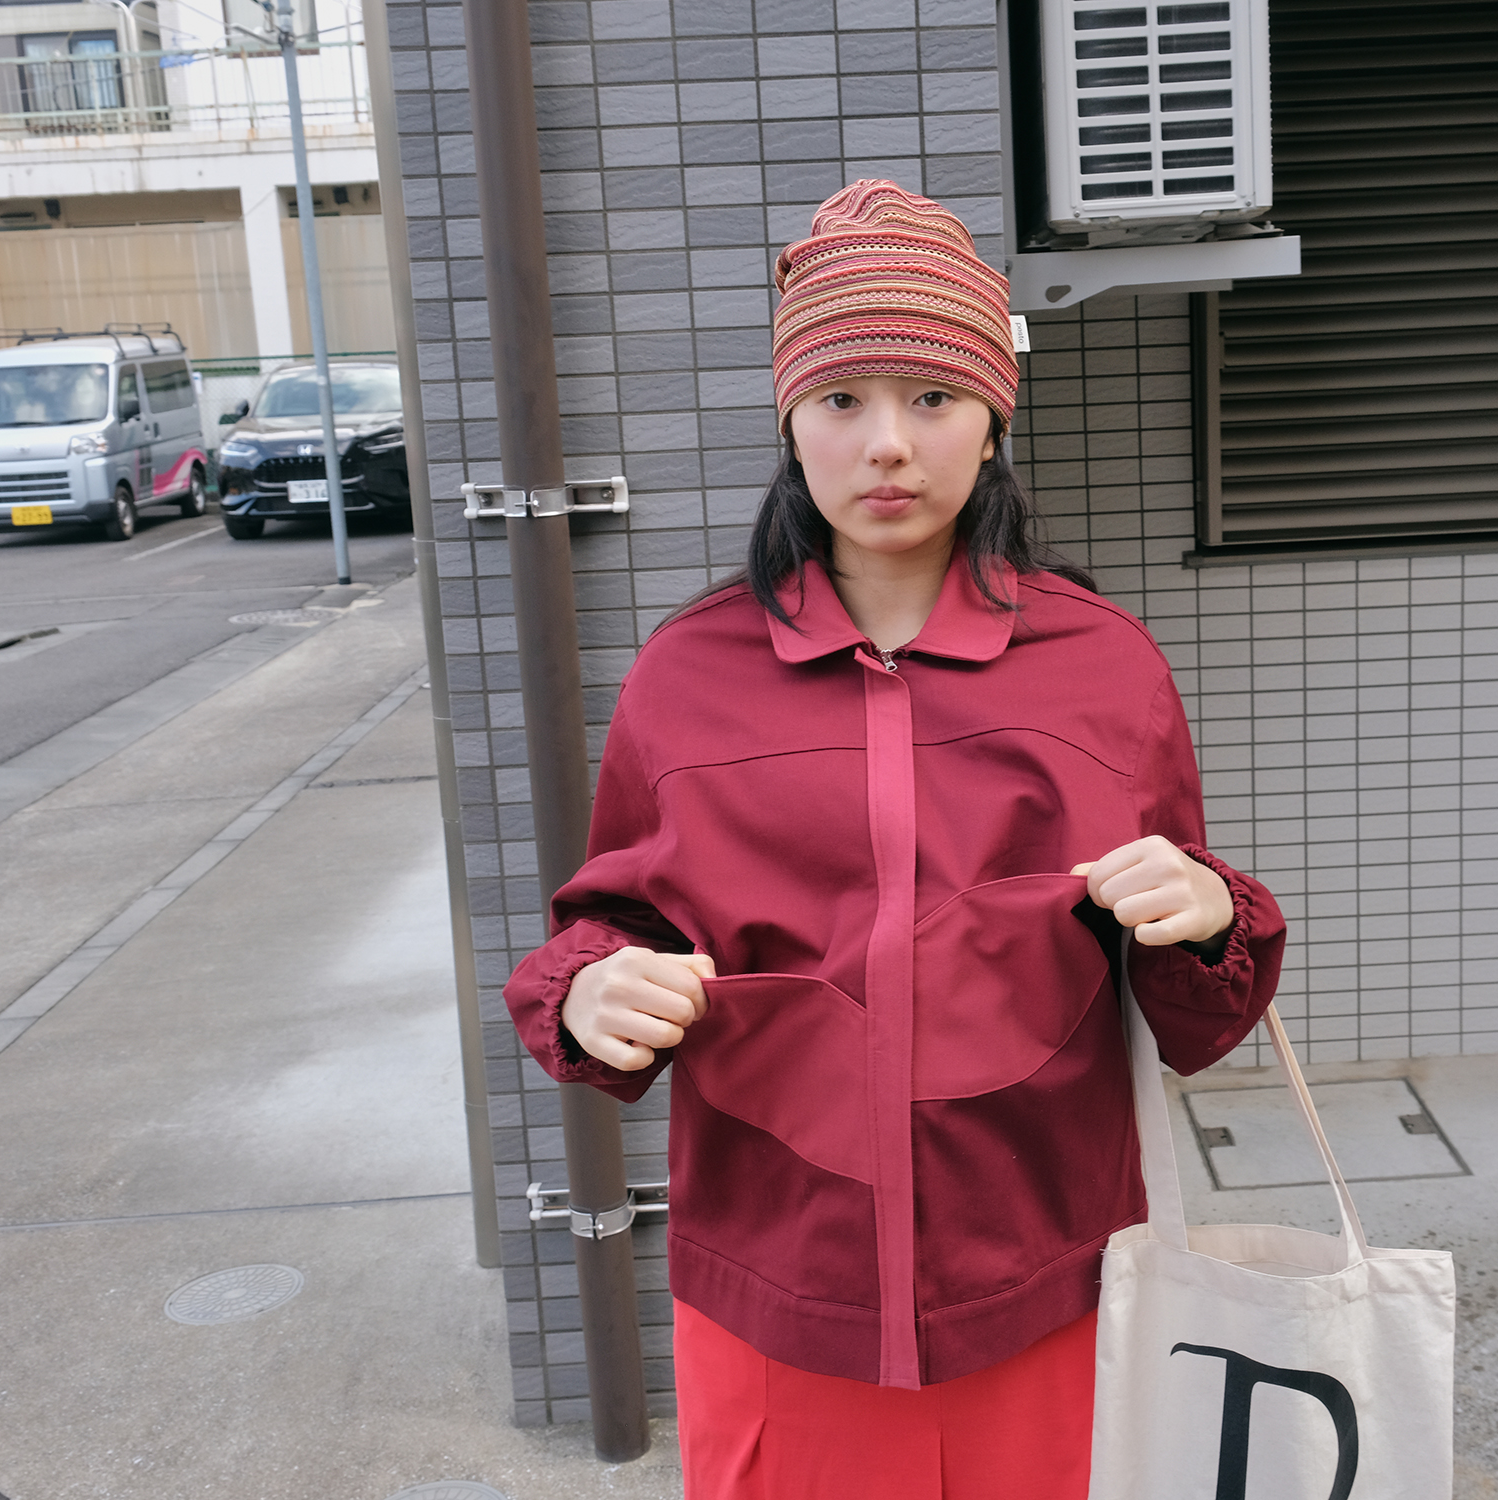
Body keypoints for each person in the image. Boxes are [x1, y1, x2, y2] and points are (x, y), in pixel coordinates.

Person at [503, 181, 1287, 1500]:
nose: (886, 445)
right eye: (840, 398)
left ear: (993, 420)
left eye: (931, 397)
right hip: (776, 1281)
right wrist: (589, 989)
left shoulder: (1104, 664)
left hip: (1045, 1273)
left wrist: (1204, 912)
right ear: (789, 421)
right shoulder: (685, 674)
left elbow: (1189, 1002)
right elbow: (615, 923)